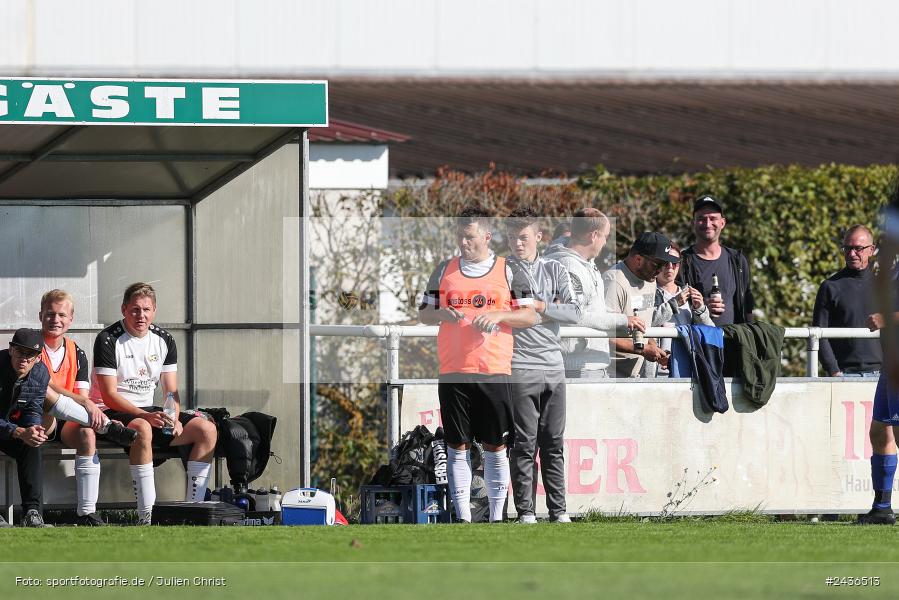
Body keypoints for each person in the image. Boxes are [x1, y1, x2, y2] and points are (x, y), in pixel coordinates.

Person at [418, 206, 537, 523]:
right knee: (457, 445)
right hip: (453, 371)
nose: (463, 242)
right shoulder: (444, 270)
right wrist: (442, 313)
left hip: (494, 371)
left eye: (469, 236)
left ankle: (497, 517)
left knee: (495, 446)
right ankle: (463, 518)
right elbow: (424, 312)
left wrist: (498, 315)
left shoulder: (509, 270)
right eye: (459, 235)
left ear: (487, 235)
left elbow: (529, 315)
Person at [91, 282, 218, 525]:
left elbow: (170, 390)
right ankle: (146, 516)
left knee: (207, 429)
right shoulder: (107, 339)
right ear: (124, 309)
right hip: (110, 411)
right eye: (135, 310)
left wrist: (174, 416)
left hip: (147, 411)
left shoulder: (164, 339)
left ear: (154, 310)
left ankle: (194, 510)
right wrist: (146, 416)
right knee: (143, 428)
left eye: (146, 310)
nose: (141, 316)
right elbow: (108, 395)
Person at [0, 328, 133, 527]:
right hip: (8, 427)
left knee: (32, 444)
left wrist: (31, 430)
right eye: (20, 352)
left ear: (38, 358)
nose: (24, 359)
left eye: (30, 355)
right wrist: (17, 431)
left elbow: (33, 410)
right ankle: (106, 426)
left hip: (14, 426)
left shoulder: (40, 373)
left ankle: (32, 513)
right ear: (11, 350)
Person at [504, 207, 580, 524]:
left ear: (538, 237)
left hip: (554, 365)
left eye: (523, 237)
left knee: (553, 443)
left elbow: (575, 311)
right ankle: (525, 512)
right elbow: (511, 312)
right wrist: (550, 310)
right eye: (512, 237)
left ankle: (559, 512)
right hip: (520, 365)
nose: (517, 243)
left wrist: (539, 306)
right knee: (523, 443)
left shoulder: (554, 269)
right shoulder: (503, 271)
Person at [41, 289, 138, 526]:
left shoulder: (77, 352)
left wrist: (87, 406)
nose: (56, 320)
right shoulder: (31, 346)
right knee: (43, 392)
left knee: (87, 432)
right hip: (39, 418)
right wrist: (86, 404)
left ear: (71, 319)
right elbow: (44, 385)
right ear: (40, 315)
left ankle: (86, 513)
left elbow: (82, 396)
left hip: (68, 419)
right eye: (50, 314)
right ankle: (108, 427)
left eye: (62, 315)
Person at [544, 208, 645, 379]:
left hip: (590, 364)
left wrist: (616, 317)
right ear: (594, 235)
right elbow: (575, 315)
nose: (605, 242)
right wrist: (622, 320)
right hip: (578, 367)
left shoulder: (584, 263)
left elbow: (588, 308)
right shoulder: (569, 267)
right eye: (605, 236)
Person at [605, 232, 686, 378]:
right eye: (658, 264)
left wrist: (654, 347)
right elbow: (603, 337)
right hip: (612, 376)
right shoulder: (614, 282)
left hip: (637, 374)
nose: (661, 270)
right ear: (638, 259)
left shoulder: (649, 278)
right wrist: (642, 350)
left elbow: (644, 321)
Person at [813, 225, 882, 377]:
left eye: (858, 248)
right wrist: (834, 371)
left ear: (871, 250)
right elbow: (818, 333)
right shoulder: (829, 287)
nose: (851, 254)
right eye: (847, 248)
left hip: (883, 377)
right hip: (844, 375)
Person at [677, 195, 755, 325]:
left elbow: (747, 302)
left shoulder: (737, 261)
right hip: (698, 342)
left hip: (733, 341)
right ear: (693, 223)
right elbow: (676, 307)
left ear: (722, 223)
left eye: (713, 218)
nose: (708, 224)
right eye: (701, 219)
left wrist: (752, 336)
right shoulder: (682, 262)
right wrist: (701, 308)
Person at [651, 243, 714, 377]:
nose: (670, 267)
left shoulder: (690, 293)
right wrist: (675, 302)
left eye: (675, 262)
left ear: (679, 265)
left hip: (686, 368)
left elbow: (710, 331)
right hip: (655, 370)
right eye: (665, 262)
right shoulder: (646, 291)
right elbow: (644, 322)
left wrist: (700, 309)